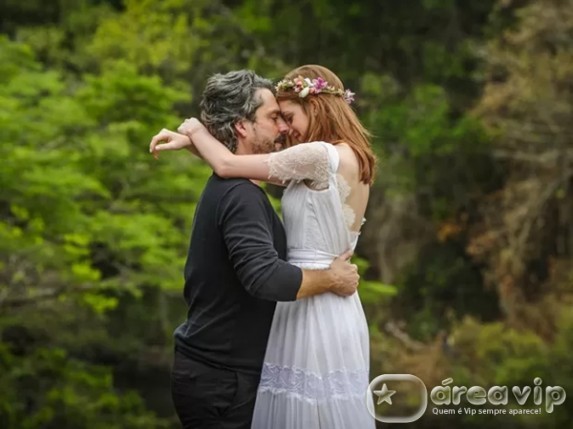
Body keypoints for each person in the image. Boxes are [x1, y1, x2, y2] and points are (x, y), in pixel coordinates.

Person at [151, 65, 377, 428]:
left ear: (316, 107)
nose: (285, 128)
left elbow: (229, 164)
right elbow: (239, 166)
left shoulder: (319, 157)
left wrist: (195, 131)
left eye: (288, 116)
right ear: (243, 125)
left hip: (313, 301)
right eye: (277, 117)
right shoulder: (333, 159)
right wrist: (197, 145)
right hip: (312, 298)